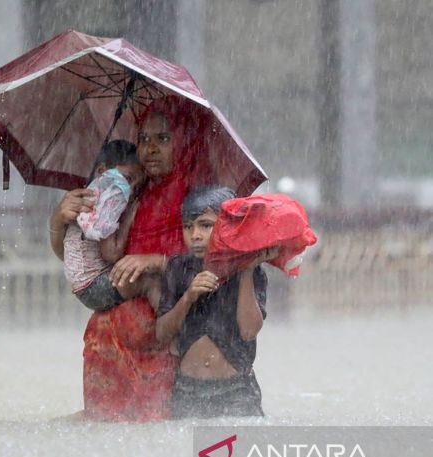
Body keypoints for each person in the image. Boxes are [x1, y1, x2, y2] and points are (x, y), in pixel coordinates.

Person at [49, 95, 214, 421]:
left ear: (184, 142)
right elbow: (79, 259)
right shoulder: (122, 192)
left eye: (163, 139)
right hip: (108, 341)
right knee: (108, 443)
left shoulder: (197, 196)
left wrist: (157, 261)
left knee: (161, 438)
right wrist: (58, 221)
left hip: (165, 338)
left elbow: (212, 263)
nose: (151, 148)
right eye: (144, 139)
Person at [155, 185, 279, 418]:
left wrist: (246, 271)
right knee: (184, 452)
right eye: (188, 227)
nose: (195, 236)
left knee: (238, 450)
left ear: (227, 227)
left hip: (236, 391)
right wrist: (188, 297)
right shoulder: (178, 269)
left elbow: (249, 331)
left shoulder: (252, 270)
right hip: (187, 390)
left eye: (205, 225)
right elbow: (162, 334)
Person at [63, 140, 162, 311]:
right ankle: (169, 326)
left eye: (137, 186)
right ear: (103, 171)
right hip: (94, 285)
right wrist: (129, 218)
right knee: (152, 282)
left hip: (84, 284)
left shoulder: (93, 192)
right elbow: (112, 254)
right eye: (128, 179)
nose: (130, 190)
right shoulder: (106, 202)